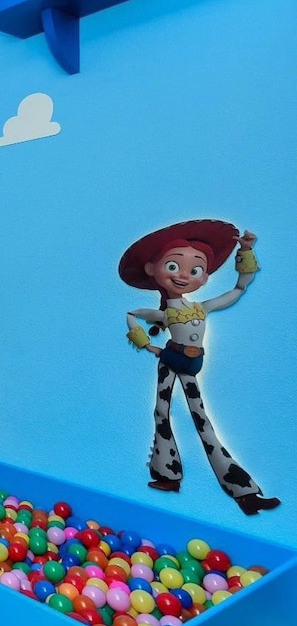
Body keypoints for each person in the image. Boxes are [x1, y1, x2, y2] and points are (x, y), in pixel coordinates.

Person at [119, 219, 279, 516]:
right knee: (162, 413)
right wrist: (146, 343)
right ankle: (167, 474)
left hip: (192, 363)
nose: (183, 275)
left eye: (195, 270)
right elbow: (133, 313)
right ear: (152, 269)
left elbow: (239, 288)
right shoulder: (164, 314)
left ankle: (244, 492)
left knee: (202, 420)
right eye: (173, 266)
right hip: (172, 360)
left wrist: (245, 251)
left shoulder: (201, 308)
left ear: (203, 277)